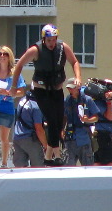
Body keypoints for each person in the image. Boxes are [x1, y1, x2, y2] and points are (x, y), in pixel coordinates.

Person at [8, 24, 82, 165]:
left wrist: (78, 77)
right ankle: (57, 155)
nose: (52, 43)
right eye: (49, 41)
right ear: (43, 40)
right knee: (52, 120)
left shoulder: (63, 47)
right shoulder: (35, 50)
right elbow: (19, 65)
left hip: (57, 89)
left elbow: (74, 61)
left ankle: (48, 158)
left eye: (54, 40)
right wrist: (13, 86)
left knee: (59, 122)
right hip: (41, 90)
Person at [62, 78, 98, 166]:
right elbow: (64, 116)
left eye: (72, 87)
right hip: (70, 138)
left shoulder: (87, 100)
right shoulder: (67, 100)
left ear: (78, 87)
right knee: (68, 168)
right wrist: (62, 129)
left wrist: (87, 120)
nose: (70, 90)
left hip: (84, 138)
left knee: (88, 169)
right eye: (68, 88)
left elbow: (96, 117)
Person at [12, 96, 47, 167]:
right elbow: (39, 129)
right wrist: (46, 146)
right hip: (30, 139)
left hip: (17, 138)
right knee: (38, 167)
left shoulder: (23, 100)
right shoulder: (36, 106)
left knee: (20, 168)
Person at [90, 89, 112, 166]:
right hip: (102, 136)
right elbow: (109, 117)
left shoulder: (95, 102)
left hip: (102, 135)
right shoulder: (98, 103)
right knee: (108, 165)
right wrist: (109, 102)